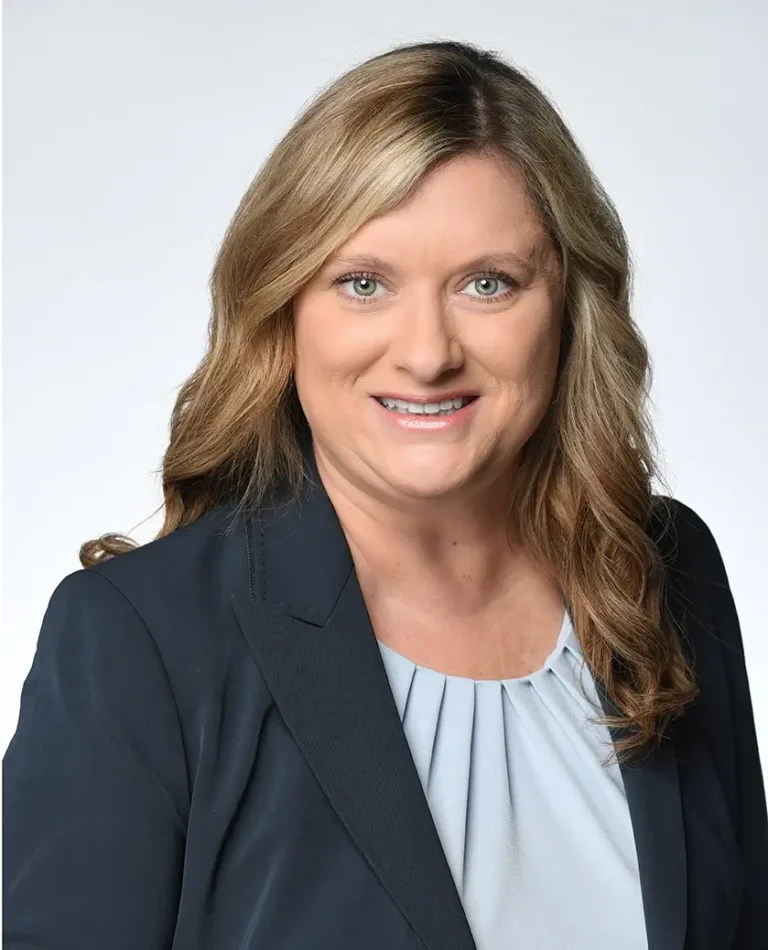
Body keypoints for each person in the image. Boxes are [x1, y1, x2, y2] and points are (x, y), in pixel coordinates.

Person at [3, 38, 767, 950]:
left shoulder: (667, 572)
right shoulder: (141, 643)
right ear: (283, 309)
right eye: (363, 284)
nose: (427, 353)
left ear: (569, 306)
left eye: (488, 283)